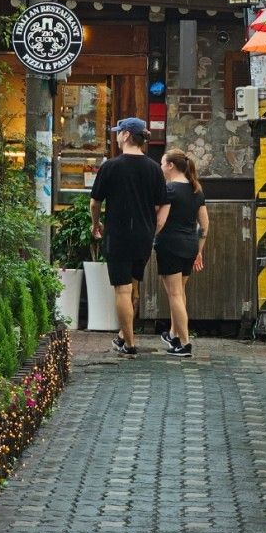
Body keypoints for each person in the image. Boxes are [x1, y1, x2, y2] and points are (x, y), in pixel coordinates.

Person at [90, 117, 169, 356]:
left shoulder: (111, 166)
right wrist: (156, 228)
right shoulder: (154, 168)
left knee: (122, 291)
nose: (116, 135)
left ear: (126, 135)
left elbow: (95, 203)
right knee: (134, 288)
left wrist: (96, 223)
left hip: (119, 235)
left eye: (118, 132)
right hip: (143, 238)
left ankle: (131, 344)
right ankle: (124, 336)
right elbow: (164, 204)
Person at [155, 148, 209, 357]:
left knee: (174, 294)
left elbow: (160, 221)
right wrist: (199, 251)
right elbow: (204, 226)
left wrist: (151, 238)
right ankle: (174, 334)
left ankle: (185, 343)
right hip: (190, 246)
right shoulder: (197, 190)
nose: (160, 166)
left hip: (170, 245)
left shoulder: (169, 189)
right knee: (179, 293)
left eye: (162, 163)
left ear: (170, 166)